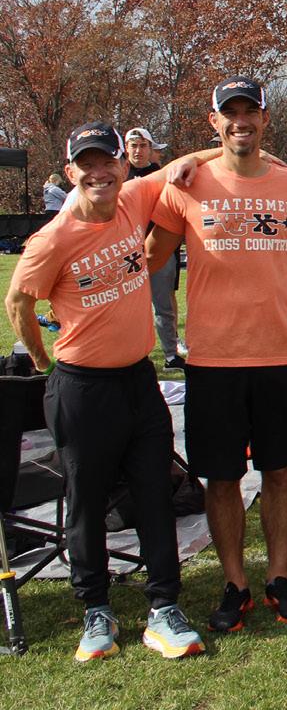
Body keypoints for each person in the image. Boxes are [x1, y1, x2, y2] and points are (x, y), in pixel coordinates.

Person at [4, 123, 204, 660]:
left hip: (138, 381)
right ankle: (96, 609)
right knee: (86, 502)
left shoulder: (133, 198)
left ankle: (164, 606)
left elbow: (182, 163)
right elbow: (18, 302)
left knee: (155, 492)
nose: (99, 173)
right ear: (70, 171)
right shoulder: (53, 238)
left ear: (122, 164)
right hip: (81, 388)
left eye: (107, 161)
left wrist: (236, 153)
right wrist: (44, 363)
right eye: (86, 164)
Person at [146, 76, 287, 632]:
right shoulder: (185, 184)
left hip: (279, 353)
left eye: (250, 112)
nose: (241, 121)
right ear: (214, 121)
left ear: (265, 118)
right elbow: (149, 260)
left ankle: (279, 577)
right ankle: (234, 583)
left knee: (279, 470)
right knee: (221, 478)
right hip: (213, 358)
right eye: (230, 113)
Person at [124, 127, 185, 370]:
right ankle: (132, 356)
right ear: (126, 149)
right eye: (133, 146)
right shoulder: (116, 174)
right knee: (127, 308)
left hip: (159, 248)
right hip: (124, 251)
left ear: (150, 149)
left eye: (143, 146)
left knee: (163, 305)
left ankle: (170, 354)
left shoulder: (161, 175)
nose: (138, 151)